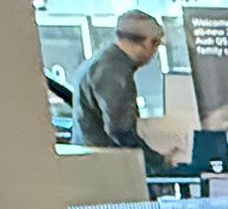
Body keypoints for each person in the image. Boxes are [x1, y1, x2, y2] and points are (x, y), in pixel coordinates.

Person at [72, 9, 170, 171]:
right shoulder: (115, 71)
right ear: (147, 42)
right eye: (156, 44)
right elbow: (120, 130)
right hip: (105, 169)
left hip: (90, 163)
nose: (154, 54)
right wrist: (158, 162)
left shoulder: (100, 62)